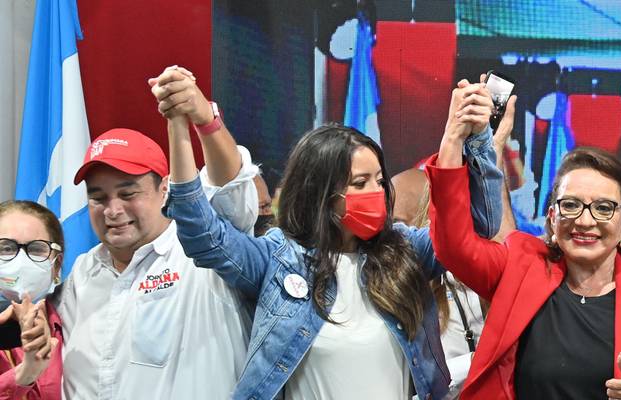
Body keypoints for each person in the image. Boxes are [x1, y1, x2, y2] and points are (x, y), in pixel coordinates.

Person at [163, 76, 505, 399]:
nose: (377, 192)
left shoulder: (406, 251)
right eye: (360, 183)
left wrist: (469, 139)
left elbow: (477, 227)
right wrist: (181, 125)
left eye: (378, 180)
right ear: (320, 194)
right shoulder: (280, 260)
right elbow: (203, 236)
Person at [428, 141, 621, 398]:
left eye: (604, 208)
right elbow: (455, 247)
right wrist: (454, 139)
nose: (584, 221)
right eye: (571, 205)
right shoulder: (521, 267)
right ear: (553, 216)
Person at [56, 66, 258, 399]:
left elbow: (231, 189)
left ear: (165, 189)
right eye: (98, 197)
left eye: (128, 192)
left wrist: (204, 118)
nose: (113, 209)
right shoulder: (81, 274)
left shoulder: (203, 255)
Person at [0, 201, 65, 398]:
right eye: (6, 248)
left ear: (56, 264)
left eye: (37, 249)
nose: (21, 260)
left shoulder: (75, 327)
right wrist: (24, 375)